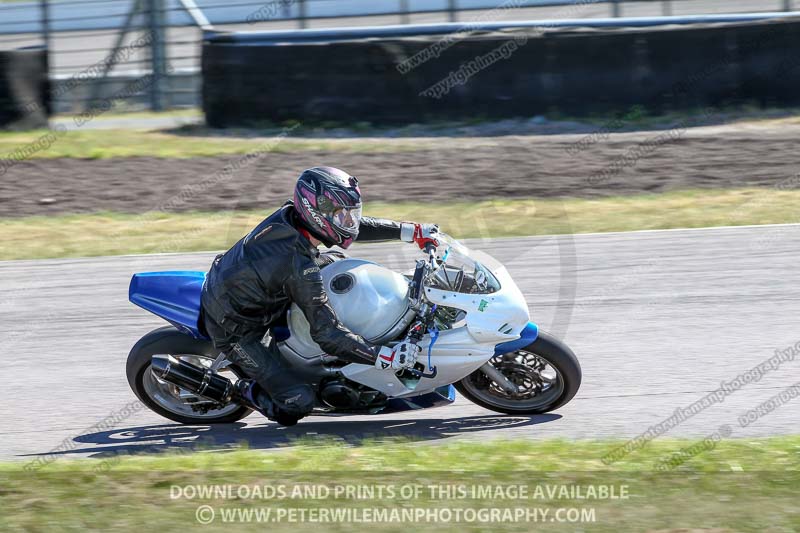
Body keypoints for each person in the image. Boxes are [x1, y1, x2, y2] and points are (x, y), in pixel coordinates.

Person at [200, 166, 440, 425]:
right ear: (316, 211)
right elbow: (328, 336)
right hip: (235, 328)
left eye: (350, 213)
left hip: (254, 288)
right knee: (297, 402)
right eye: (341, 214)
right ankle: (239, 391)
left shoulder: (293, 215)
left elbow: (350, 228)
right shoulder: (299, 265)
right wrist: (384, 357)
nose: (348, 221)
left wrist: (411, 231)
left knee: (338, 260)